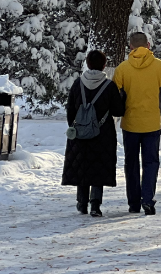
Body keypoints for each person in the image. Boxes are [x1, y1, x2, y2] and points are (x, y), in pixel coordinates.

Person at [114, 31, 161, 215]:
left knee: (131, 164)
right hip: (151, 124)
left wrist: (124, 112)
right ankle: (148, 199)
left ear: (130, 47)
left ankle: (133, 203)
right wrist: (160, 110)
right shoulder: (159, 67)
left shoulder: (122, 69)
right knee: (151, 162)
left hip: (130, 124)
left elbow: (117, 98)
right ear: (148, 45)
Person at [61, 49, 125, 217]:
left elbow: (70, 110)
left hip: (80, 132)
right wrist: (122, 97)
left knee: (82, 166)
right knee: (98, 167)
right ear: (104, 66)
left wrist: (76, 127)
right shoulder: (109, 86)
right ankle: (95, 204)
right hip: (102, 133)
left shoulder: (78, 83)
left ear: (87, 64)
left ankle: (81, 203)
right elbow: (118, 111)